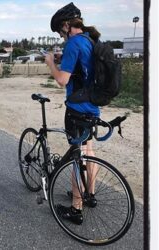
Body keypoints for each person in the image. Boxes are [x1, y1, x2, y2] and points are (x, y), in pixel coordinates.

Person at [45, 2, 101, 225]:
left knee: (77, 156)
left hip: (77, 108)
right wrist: (63, 61)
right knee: (89, 151)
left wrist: (51, 63)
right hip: (94, 105)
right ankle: (90, 195)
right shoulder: (90, 40)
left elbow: (61, 80)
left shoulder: (73, 44)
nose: (61, 35)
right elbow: (83, 68)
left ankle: (76, 209)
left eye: (60, 30)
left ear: (67, 25)